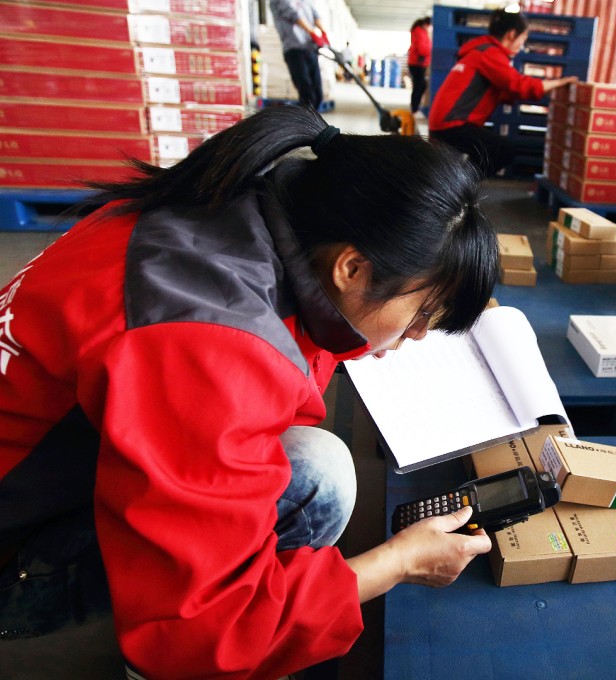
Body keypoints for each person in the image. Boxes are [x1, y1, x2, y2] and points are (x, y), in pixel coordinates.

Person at [0, 105, 497, 676]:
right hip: (16, 553)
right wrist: (397, 562)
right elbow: (209, 626)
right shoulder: (209, 347)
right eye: (421, 315)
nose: (413, 338)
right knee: (318, 479)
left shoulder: (224, 208)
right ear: (352, 268)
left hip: (42, 476)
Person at [429, 8, 578, 177]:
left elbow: (505, 90)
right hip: (452, 125)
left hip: (446, 123)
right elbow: (517, 84)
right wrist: (559, 83)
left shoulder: (481, 50)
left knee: (488, 152)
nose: (521, 47)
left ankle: (458, 185)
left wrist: (542, 90)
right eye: (522, 40)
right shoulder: (490, 53)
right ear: (511, 34)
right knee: (502, 151)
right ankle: (459, 189)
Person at [269, 0, 329, 111]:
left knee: (318, 94)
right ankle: (307, 125)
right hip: (294, 50)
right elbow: (293, 14)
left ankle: (313, 122)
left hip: (310, 49)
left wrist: (323, 32)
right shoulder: (278, 1)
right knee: (307, 94)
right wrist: (311, 32)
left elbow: (315, 14)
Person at [408, 16, 432, 114]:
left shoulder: (420, 32)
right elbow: (423, 50)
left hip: (417, 63)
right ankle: (415, 108)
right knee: (419, 86)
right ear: (426, 25)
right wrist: (431, 46)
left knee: (420, 86)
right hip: (418, 64)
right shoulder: (420, 33)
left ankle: (415, 107)